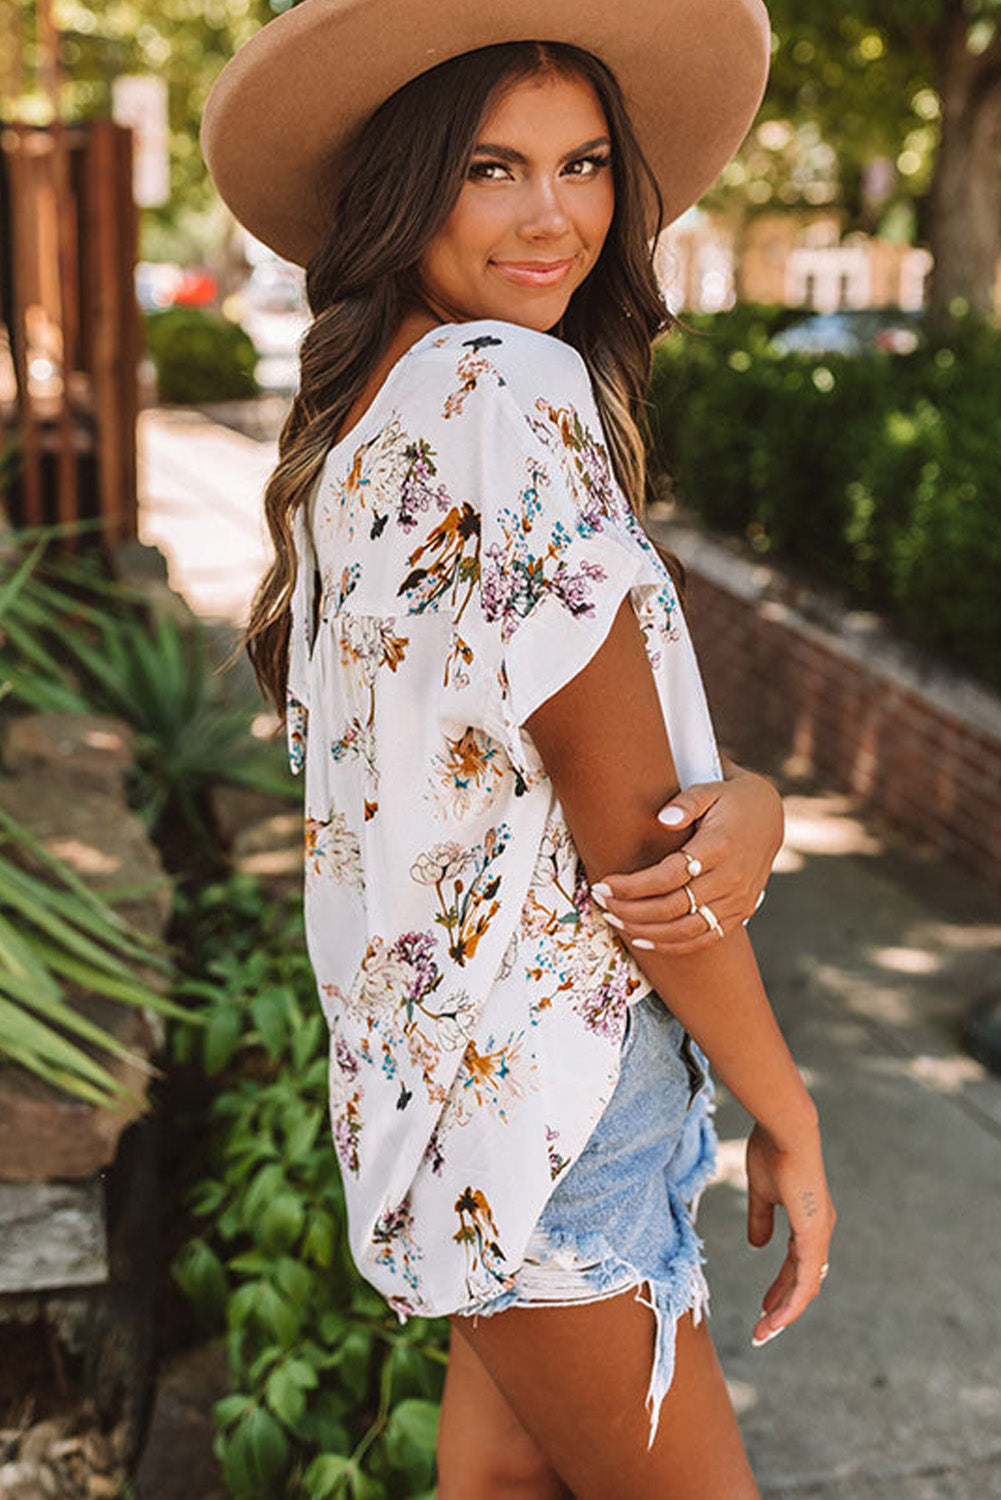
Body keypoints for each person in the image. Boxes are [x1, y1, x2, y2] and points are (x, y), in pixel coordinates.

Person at [201, 2, 836, 1495]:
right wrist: (787, 1111)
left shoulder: (366, 428)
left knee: (492, 1487)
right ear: (407, 182)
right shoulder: (500, 390)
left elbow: (511, 777)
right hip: (559, 1104)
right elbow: (636, 854)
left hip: (444, 1114)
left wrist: (750, 797)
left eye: (586, 163)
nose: (553, 215)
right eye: (493, 168)